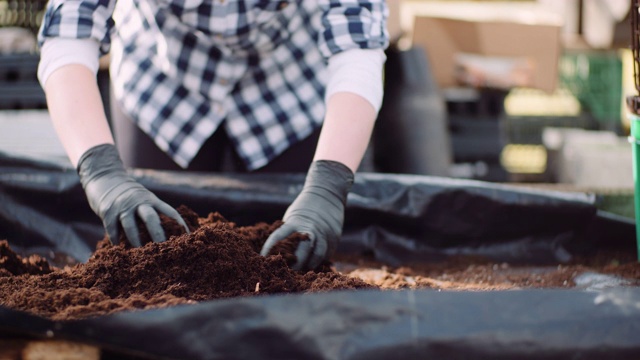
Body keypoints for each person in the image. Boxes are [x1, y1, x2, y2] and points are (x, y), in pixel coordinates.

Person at [37, 1, 389, 271]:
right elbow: (68, 35)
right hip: (163, 78)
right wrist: (101, 171)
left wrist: (328, 184)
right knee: (154, 250)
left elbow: (358, 50)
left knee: (293, 259)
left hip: (287, 82)